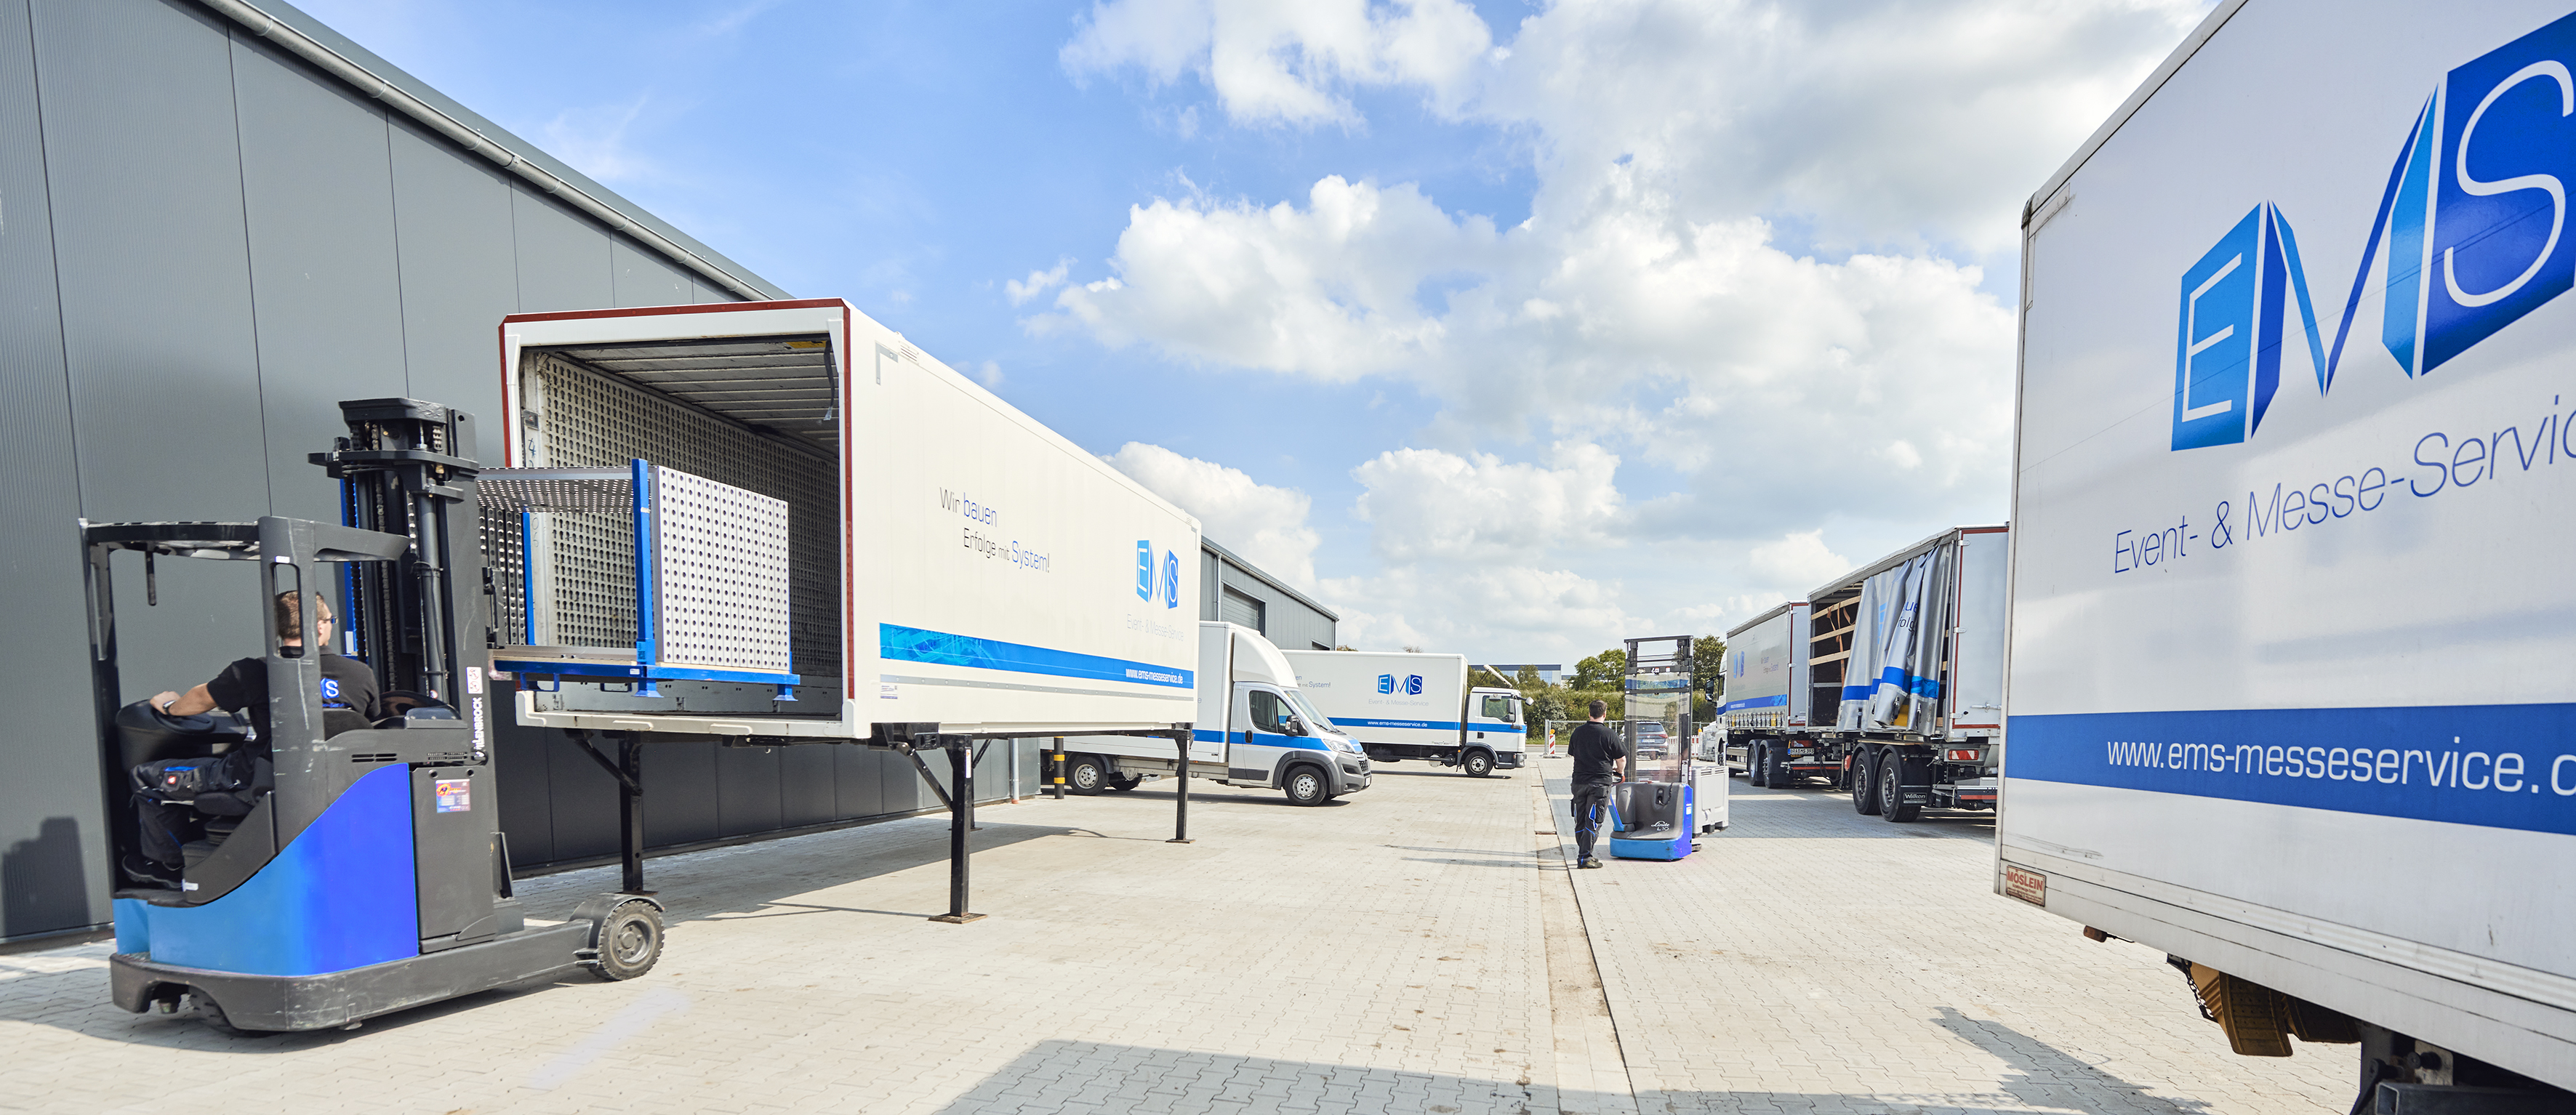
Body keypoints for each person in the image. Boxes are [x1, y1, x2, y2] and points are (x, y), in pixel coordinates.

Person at [126, 591, 380, 884]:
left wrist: (171, 705)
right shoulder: (360, 674)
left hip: (256, 779)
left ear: (278, 630)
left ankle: (168, 869)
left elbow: (198, 700)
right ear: (321, 625)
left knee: (145, 778)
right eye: (331, 620)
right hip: (337, 785)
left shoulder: (255, 671)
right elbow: (366, 726)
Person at [1567, 699, 1626, 869]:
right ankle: (1585, 857)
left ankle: (1584, 852)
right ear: (1605, 714)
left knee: (1580, 819)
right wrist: (1619, 772)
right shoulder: (1609, 734)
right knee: (1593, 820)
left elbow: (1573, 753)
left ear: (1589, 713)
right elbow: (1621, 759)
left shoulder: (1577, 733)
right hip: (1600, 784)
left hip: (1579, 782)